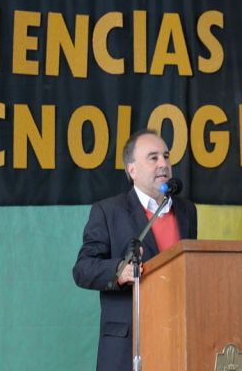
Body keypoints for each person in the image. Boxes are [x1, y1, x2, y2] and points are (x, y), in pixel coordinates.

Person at [73, 129, 197, 371]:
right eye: (153, 158)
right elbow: (83, 269)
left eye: (166, 156)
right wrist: (119, 271)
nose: (163, 164)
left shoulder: (187, 211)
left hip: (178, 338)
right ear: (132, 170)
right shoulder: (108, 211)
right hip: (128, 346)